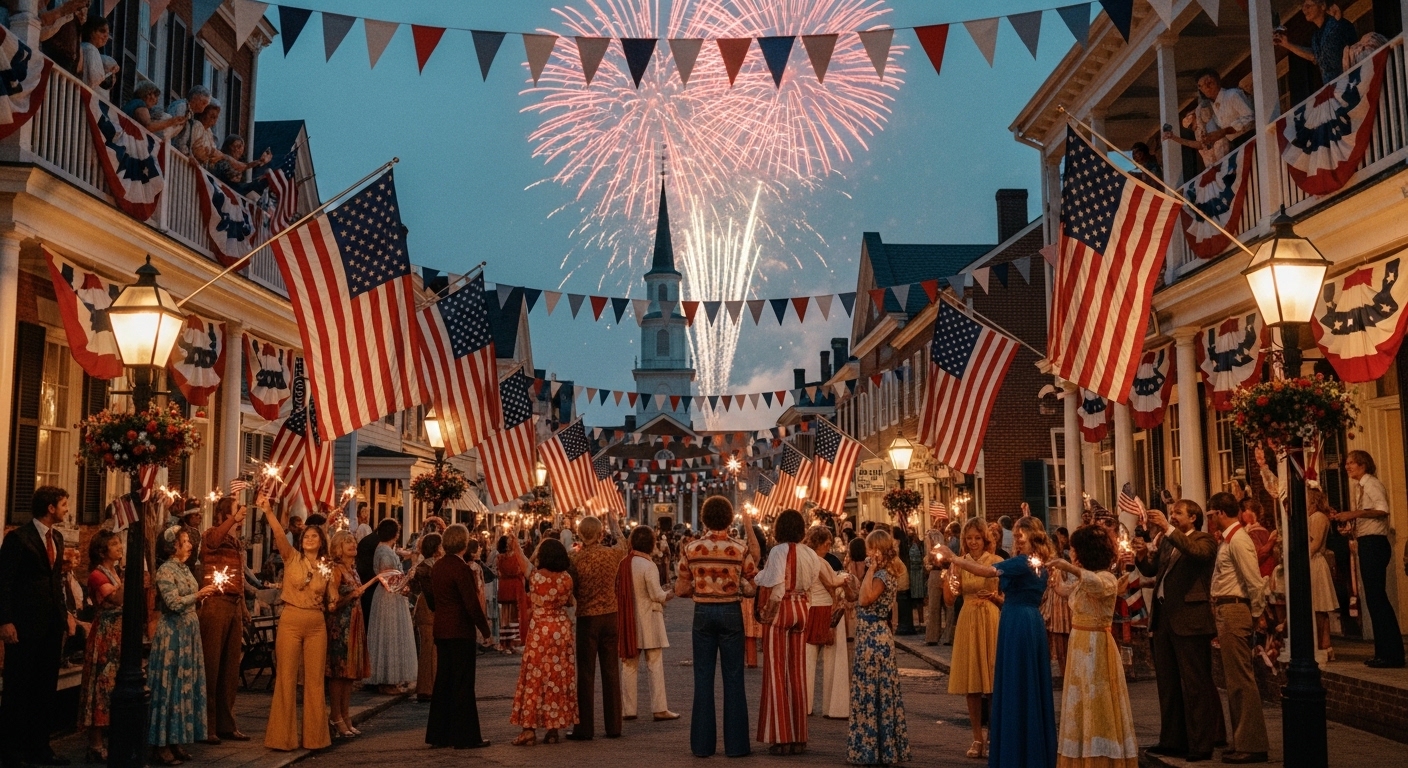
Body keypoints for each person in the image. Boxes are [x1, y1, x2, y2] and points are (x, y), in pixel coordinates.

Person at [940, 517, 1057, 768]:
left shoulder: (1023, 561)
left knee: (1014, 682)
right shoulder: (1039, 562)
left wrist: (954, 558)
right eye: (1014, 536)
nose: (1015, 541)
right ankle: (1027, 742)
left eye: (1019, 537)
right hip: (1029, 619)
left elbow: (989, 571)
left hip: (1017, 622)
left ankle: (1016, 747)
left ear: (1031, 538)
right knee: (1028, 682)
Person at [755, 509, 849, 755]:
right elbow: (808, 585)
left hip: (782, 608)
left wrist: (767, 613)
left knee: (776, 673)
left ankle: (781, 735)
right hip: (801, 608)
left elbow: (775, 586)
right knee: (797, 673)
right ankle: (799, 736)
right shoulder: (809, 554)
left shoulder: (778, 551)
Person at [1134, 501, 1220, 762]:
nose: (1172, 517)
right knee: (1168, 684)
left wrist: (1168, 528)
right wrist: (1140, 556)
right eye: (1172, 514)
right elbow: (1153, 569)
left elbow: (1197, 554)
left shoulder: (1204, 540)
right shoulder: (1170, 541)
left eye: (1177, 513)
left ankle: (1201, 743)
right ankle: (1172, 740)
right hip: (1164, 619)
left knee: (1195, 685)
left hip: (1190, 620)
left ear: (1193, 518)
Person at [676, 496, 760, 758]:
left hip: (702, 613)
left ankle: (702, 745)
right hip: (730, 612)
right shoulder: (739, 548)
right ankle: (736, 746)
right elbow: (752, 584)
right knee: (734, 678)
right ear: (728, 519)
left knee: (703, 679)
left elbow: (680, 588)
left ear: (704, 519)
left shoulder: (690, 549)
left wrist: (699, 587)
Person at [0, 486, 72, 768]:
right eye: (64, 504)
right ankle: (12, 750)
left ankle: (40, 747)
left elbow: (56, 582)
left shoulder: (57, 538)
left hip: (50, 625)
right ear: (50, 507)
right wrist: (5, 621)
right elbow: (3, 581)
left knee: (44, 688)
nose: (67, 509)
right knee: (20, 688)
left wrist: (64, 615)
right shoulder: (19, 539)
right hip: (24, 626)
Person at [258, 496, 335, 751]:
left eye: (314, 537)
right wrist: (268, 511)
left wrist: (335, 599)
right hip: (291, 621)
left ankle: (315, 738)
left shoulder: (327, 567)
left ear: (321, 542)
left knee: (314, 682)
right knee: (286, 678)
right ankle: (283, 738)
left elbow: (331, 596)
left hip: (316, 624)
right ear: (300, 542)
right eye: (306, 537)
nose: (309, 539)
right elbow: (280, 534)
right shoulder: (291, 558)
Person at [1206, 492, 1270, 764]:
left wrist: (1256, 614)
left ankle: (1252, 743)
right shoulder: (1228, 541)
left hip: (1235, 609)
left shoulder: (1239, 540)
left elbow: (1254, 581)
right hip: (1225, 608)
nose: (1210, 520)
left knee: (1242, 680)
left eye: (1211, 514)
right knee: (1233, 681)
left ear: (1220, 512)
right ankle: (1242, 738)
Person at [149, 525, 218, 765]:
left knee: (184, 686)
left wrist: (201, 597)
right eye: (185, 541)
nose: (189, 545)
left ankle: (176, 739)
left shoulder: (185, 569)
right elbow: (172, 602)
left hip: (189, 632)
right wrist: (197, 596)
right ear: (173, 546)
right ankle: (160, 744)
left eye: (189, 541)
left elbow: (189, 598)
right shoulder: (165, 571)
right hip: (173, 635)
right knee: (170, 687)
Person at [1333, 450, 1404, 667]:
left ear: (1363, 464)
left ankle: (1391, 654)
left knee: (1377, 598)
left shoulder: (1371, 484)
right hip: (1367, 542)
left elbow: (1382, 510)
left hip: (1374, 544)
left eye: (1351, 463)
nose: (1347, 467)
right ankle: (1384, 652)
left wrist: (1352, 514)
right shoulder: (1360, 487)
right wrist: (1351, 527)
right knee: (1373, 599)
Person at [425, 524, 493, 750]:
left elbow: (433, 599)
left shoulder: (438, 566)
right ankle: (466, 736)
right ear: (464, 544)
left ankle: (439, 734)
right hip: (460, 631)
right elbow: (471, 603)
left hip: (442, 629)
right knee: (463, 683)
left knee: (443, 681)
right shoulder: (461, 568)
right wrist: (485, 630)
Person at [846, 528, 911, 766]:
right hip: (871, 633)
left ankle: (873, 749)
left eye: (872, 549)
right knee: (871, 690)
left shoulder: (882, 575)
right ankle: (876, 747)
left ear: (881, 550)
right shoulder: (879, 573)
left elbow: (865, 600)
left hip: (874, 636)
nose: (868, 553)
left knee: (873, 691)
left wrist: (870, 569)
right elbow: (857, 597)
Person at [941, 518, 1002, 758]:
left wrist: (995, 598)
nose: (974, 542)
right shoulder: (960, 563)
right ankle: (977, 737)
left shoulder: (996, 562)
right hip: (967, 618)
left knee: (993, 682)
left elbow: (1006, 596)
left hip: (990, 618)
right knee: (972, 682)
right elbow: (949, 599)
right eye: (969, 538)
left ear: (985, 539)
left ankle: (995, 736)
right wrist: (949, 575)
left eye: (978, 538)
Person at [566, 514, 629, 740]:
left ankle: (585, 728)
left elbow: (570, 586)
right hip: (610, 615)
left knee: (586, 673)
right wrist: (614, 523)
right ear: (601, 534)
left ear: (580, 535)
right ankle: (614, 726)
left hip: (587, 617)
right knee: (611, 671)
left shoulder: (575, 558)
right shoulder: (612, 554)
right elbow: (624, 543)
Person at [511, 537, 578, 745]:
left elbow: (521, 560)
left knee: (534, 678)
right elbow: (569, 602)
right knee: (557, 679)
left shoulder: (536, 577)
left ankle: (529, 729)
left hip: (540, 630)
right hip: (561, 629)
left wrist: (515, 542)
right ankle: (553, 728)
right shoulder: (567, 579)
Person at [198, 496, 249, 744]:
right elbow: (214, 540)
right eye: (235, 510)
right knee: (212, 666)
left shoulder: (236, 542)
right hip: (215, 603)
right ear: (223, 514)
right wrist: (232, 520)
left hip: (234, 605)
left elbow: (239, 576)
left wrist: (245, 609)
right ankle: (208, 725)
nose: (240, 515)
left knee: (230, 669)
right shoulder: (211, 535)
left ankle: (227, 723)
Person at [619, 525, 677, 722]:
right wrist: (672, 592)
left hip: (629, 620)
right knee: (654, 664)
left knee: (629, 665)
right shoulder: (648, 565)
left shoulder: (625, 563)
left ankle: (629, 709)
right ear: (651, 544)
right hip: (649, 619)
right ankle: (659, 708)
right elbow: (657, 595)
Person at [78, 530, 124, 762]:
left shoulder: (115, 572)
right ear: (102, 550)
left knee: (114, 687)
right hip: (105, 635)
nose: (119, 547)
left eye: (119, 543)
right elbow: (114, 599)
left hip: (119, 634)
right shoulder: (97, 575)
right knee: (100, 687)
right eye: (114, 544)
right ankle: (95, 744)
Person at [326, 531, 374, 738]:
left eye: (353, 541)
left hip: (355, 624)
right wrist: (351, 596)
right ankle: (335, 715)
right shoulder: (336, 570)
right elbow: (332, 603)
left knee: (349, 675)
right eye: (347, 542)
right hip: (340, 626)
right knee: (339, 673)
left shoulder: (353, 570)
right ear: (338, 548)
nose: (352, 545)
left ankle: (346, 715)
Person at [804, 526, 854, 719]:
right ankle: (834, 706)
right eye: (827, 544)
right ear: (823, 543)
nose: (829, 547)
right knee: (835, 660)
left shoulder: (804, 560)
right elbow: (832, 583)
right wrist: (844, 580)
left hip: (809, 610)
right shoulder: (821, 563)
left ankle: (805, 704)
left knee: (807, 661)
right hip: (827, 611)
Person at [367, 518, 416, 693]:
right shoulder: (384, 552)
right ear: (395, 534)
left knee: (392, 634)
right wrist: (408, 577)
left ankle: (392, 680)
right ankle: (387, 680)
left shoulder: (385, 549)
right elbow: (389, 578)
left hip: (389, 595)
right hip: (389, 596)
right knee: (389, 634)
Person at [1274, 0, 1359, 83]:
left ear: (1322, 6)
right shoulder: (1316, 37)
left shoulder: (1335, 24)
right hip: (1333, 87)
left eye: (1308, 6)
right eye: (1303, 7)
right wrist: (1286, 44)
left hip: (1351, 80)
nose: (1304, 10)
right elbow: (1314, 56)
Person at [1304, 489, 1340, 662]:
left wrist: (1301, 560)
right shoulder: (1313, 517)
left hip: (1315, 563)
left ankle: (1323, 645)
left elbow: (1316, 543)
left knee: (1319, 606)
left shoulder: (1318, 517)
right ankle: (1323, 645)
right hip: (1313, 562)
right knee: (1316, 607)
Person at [1186, 69, 1254, 151]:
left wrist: (1224, 131)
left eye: (1209, 82)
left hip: (1251, 138)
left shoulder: (1232, 95)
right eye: (1202, 86)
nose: (1207, 87)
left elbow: (1250, 117)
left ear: (1217, 81)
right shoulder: (1213, 109)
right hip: (1236, 146)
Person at [409, 533, 442, 703]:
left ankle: (432, 685)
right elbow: (428, 591)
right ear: (436, 549)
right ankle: (426, 688)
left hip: (429, 606)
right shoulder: (425, 568)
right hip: (428, 607)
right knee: (429, 647)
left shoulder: (433, 565)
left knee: (433, 648)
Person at [1164, 96, 1233, 170]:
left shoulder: (1207, 120)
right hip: (1211, 161)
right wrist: (1174, 137)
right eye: (1190, 127)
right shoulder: (1198, 131)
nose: (1192, 127)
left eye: (1191, 124)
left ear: (1194, 117)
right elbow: (1197, 145)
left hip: (1220, 154)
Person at [496, 534, 527, 652]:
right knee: (513, 615)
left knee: (506, 615)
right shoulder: (515, 557)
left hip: (504, 586)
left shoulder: (499, 557)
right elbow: (518, 570)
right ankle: (512, 642)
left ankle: (506, 642)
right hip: (514, 586)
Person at [123, 82, 190, 136]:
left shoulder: (131, 104)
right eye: (156, 96)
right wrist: (171, 121)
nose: (156, 102)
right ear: (148, 94)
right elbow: (149, 126)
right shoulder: (139, 103)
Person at [77, 17, 118, 102]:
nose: (106, 36)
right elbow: (94, 79)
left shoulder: (83, 47)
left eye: (108, 33)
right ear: (91, 32)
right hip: (88, 101)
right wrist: (108, 74)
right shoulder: (91, 49)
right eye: (102, 31)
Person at [188, 102, 224, 169]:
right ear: (202, 114)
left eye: (216, 117)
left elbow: (213, 152)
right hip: (189, 165)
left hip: (201, 168)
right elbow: (187, 146)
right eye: (211, 115)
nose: (214, 119)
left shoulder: (209, 131)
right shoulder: (197, 125)